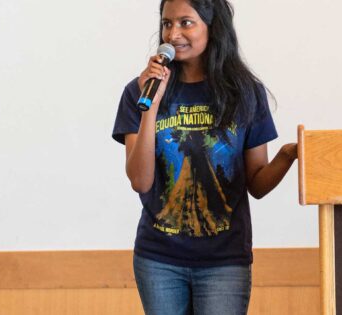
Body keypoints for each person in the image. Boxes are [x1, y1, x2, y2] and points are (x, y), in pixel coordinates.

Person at [112, 0, 297, 314]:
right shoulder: (139, 92)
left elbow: (257, 185)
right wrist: (152, 106)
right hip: (159, 259)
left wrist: (287, 155)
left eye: (186, 22)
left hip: (224, 261)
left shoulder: (244, 92)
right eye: (167, 23)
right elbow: (140, 181)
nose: (173, 33)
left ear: (213, 27)